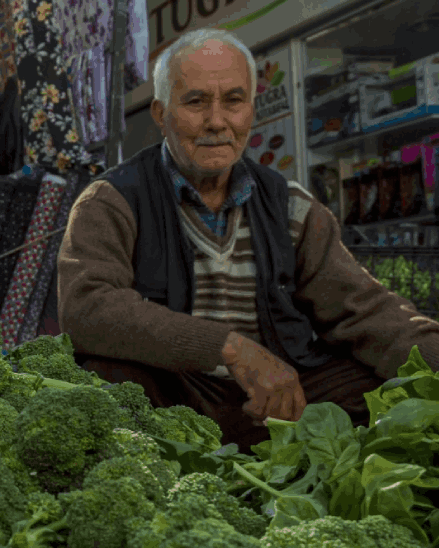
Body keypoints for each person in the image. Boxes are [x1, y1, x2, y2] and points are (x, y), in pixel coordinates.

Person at [56, 28, 438, 451]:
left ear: (251, 111)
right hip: (175, 401)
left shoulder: (291, 206)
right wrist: (229, 348)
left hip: (274, 402)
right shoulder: (112, 200)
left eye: (233, 101)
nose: (217, 121)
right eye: (196, 102)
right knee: (108, 376)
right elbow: (87, 306)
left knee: (379, 385)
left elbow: (365, 310)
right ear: (161, 114)